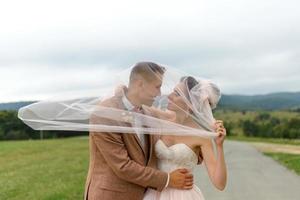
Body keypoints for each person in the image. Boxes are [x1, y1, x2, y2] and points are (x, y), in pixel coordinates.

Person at [84, 62, 194, 200]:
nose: (160, 94)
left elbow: (176, 121)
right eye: (157, 87)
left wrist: (202, 142)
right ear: (140, 83)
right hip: (111, 195)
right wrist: (168, 179)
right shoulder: (104, 113)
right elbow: (122, 166)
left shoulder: (148, 113)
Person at [142, 76, 227, 200]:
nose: (169, 96)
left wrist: (219, 146)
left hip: (184, 195)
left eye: (177, 94)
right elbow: (132, 109)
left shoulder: (201, 136)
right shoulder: (158, 120)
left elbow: (219, 184)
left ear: (190, 103)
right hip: (154, 192)